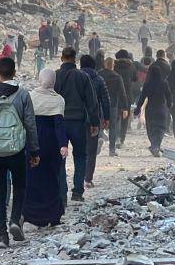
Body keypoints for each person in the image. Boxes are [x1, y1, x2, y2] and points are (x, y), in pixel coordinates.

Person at [0, 57, 40, 247]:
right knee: (20, 186)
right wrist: (34, 150)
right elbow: (30, 124)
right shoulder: (22, 95)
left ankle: (2, 235)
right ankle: (15, 220)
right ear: (14, 72)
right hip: (17, 150)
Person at [54, 47, 99, 202]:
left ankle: (61, 193)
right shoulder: (83, 76)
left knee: (60, 158)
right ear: (75, 59)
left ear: (61, 58)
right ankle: (78, 192)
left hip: (59, 123)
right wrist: (94, 123)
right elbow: (91, 102)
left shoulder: (55, 76)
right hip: (78, 122)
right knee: (80, 155)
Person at [25, 68, 68, 227]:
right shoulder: (58, 100)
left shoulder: (30, 96)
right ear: (54, 82)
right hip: (51, 143)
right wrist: (63, 144)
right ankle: (53, 215)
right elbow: (59, 125)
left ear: (39, 80)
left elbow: (26, 121)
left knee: (32, 178)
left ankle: (32, 214)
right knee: (52, 178)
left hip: (32, 141)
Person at [79, 55, 110, 187]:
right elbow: (105, 100)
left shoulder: (75, 78)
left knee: (79, 150)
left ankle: (78, 178)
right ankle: (88, 179)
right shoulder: (99, 80)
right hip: (94, 118)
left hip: (77, 118)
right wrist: (107, 117)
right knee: (91, 150)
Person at [134, 68, 172, 157]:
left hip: (150, 109)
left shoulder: (147, 84)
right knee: (161, 128)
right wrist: (169, 105)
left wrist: (137, 109)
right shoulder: (164, 83)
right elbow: (169, 95)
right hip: (161, 108)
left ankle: (154, 145)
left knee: (151, 128)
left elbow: (142, 98)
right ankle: (156, 146)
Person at [98, 58, 128, 157]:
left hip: (101, 104)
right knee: (113, 127)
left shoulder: (99, 75)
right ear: (113, 65)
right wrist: (125, 108)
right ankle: (112, 149)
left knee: (99, 124)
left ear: (104, 64)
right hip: (113, 105)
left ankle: (99, 138)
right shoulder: (117, 77)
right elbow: (123, 94)